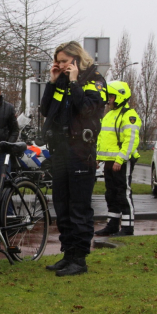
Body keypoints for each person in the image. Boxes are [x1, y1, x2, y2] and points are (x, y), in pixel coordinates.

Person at [40, 41, 106, 276]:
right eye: (57, 61)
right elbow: (46, 110)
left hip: (81, 152)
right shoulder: (61, 82)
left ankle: (79, 259)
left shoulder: (94, 80)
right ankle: (68, 255)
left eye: (64, 61)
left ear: (76, 60)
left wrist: (75, 81)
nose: (60, 65)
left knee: (79, 207)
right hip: (60, 150)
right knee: (62, 205)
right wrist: (52, 82)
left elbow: (87, 110)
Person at [95, 81, 142, 236]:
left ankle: (128, 227)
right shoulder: (109, 115)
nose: (109, 99)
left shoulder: (129, 116)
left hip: (122, 162)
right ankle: (112, 225)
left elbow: (131, 141)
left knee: (123, 193)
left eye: (112, 96)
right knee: (111, 194)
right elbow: (102, 138)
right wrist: (97, 157)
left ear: (120, 96)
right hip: (109, 162)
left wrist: (120, 159)